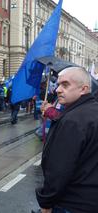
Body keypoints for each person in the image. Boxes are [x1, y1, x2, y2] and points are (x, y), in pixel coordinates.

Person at [36, 67, 98, 213]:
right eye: (58, 84)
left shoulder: (72, 120)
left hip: (71, 202)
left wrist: (46, 201)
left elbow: (59, 169)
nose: (57, 89)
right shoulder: (91, 111)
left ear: (83, 89)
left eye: (65, 85)